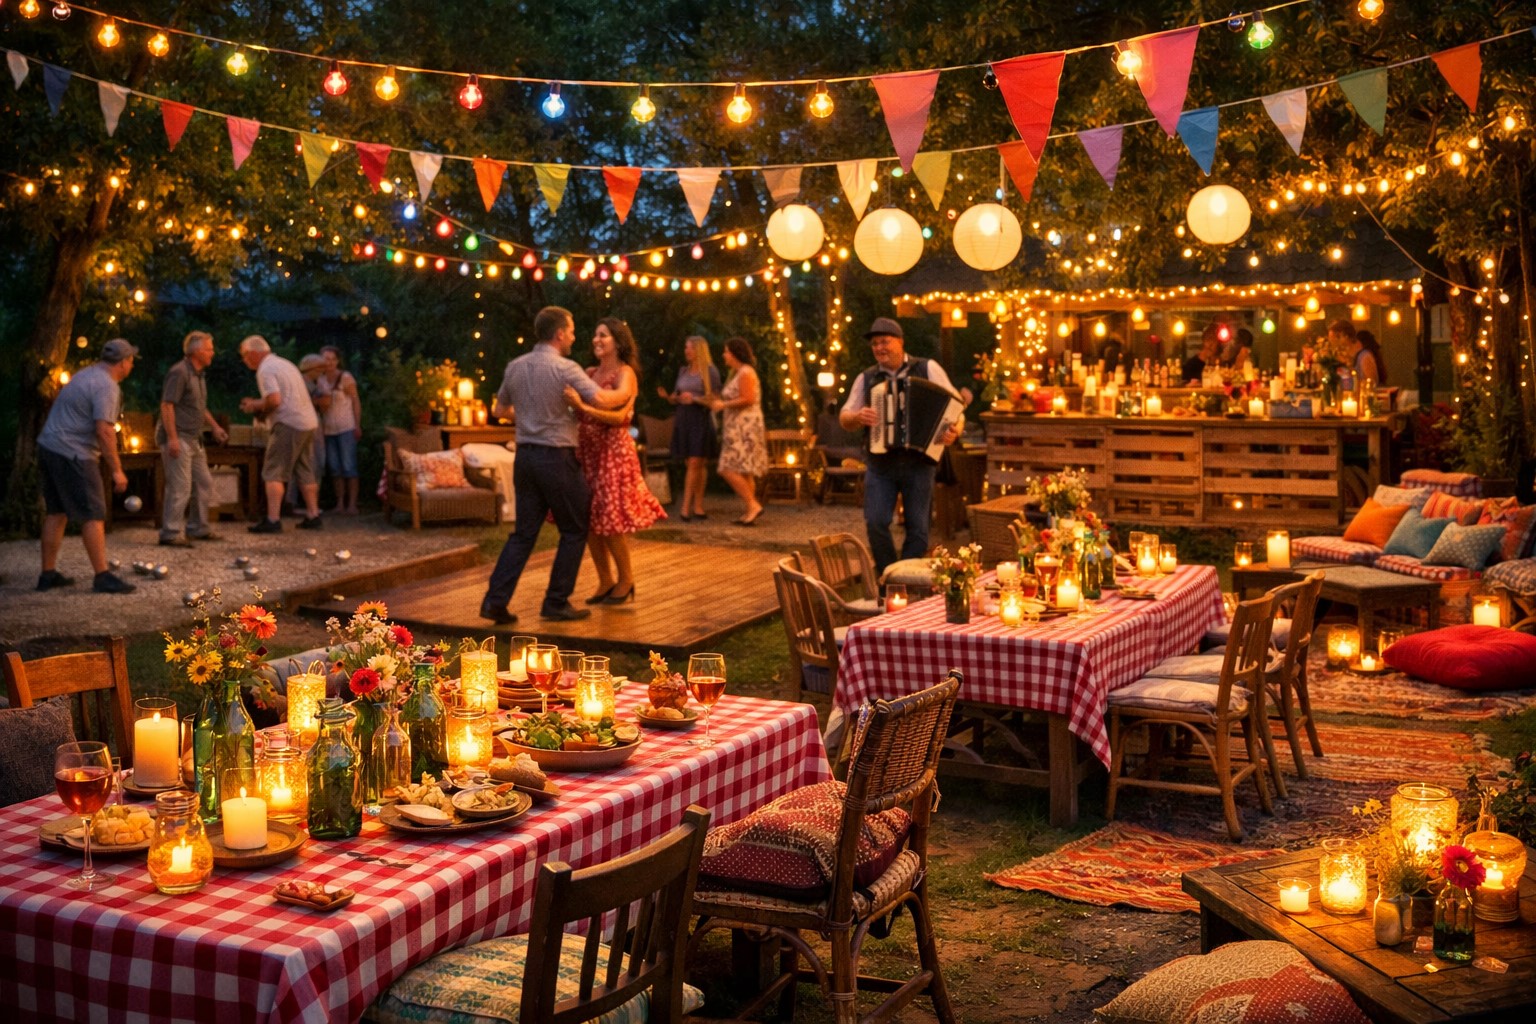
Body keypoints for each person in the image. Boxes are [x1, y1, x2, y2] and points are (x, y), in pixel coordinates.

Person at [481, 306, 629, 624]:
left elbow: (499, 409)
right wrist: (627, 395)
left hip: (525, 458)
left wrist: (532, 418)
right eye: (573, 330)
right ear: (560, 333)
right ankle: (556, 602)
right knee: (575, 528)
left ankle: (495, 601)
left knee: (523, 534)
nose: (575, 336)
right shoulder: (566, 369)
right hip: (557, 459)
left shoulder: (515, 366)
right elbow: (601, 400)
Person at [839, 317, 963, 575]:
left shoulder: (928, 368)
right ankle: (888, 576)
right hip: (881, 463)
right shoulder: (867, 378)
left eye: (885, 341)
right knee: (875, 521)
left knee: (918, 529)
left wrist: (955, 431)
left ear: (901, 342)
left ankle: (906, 581)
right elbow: (845, 417)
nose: (879, 348)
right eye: (875, 344)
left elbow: (956, 407)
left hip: (920, 462)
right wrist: (858, 416)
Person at [562, 318, 666, 605]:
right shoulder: (590, 372)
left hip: (613, 452)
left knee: (610, 518)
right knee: (589, 519)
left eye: (603, 335)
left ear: (618, 342)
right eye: (595, 335)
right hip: (587, 452)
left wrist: (583, 405)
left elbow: (619, 415)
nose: (596, 340)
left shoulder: (625, 373)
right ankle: (605, 580)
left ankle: (626, 579)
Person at [36, 338, 138, 593]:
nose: (132, 364)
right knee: (93, 512)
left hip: (49, 446)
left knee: (57, 511)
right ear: (123, 363)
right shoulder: (106, 386)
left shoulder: (87, 375)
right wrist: (116, 469)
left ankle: (47, 574)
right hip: (73, 452)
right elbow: (104, 430)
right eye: (131, 360)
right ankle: (102, 576)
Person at [238, 336, 323, 533]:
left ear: (253, 353)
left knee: (273, 470)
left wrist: (254, 406)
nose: (244, 360)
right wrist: (261, 405)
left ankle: (273, 519)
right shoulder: (285, 363)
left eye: (244, 356)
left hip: (289, 422)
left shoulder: (265, 369)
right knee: (304, 469)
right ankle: (313, 514)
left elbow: (275, 400)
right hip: (308, 422)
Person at [157, 331, 228, 547]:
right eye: (209, 349)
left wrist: (215, 427)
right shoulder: (179, 373)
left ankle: (198, 528)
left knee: (204, 482)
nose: (212, 353)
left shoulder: (199, 374)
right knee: (180, 486)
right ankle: (170, 533)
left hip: (195, 438)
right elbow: (167, 405)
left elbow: (198, 406)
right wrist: (172, 438)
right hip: (179, 437)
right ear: (196, 351)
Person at [655, 335, 721, 520]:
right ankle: (698, 506)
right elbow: (677, 396)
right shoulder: (683, 371)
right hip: (683, 418)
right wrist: (670, 397)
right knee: (693, 464)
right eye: (685, 347)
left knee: (695, 462)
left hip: (700, 418)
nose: (686, 351)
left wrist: (695, 399)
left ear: (698, 350)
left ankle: (686, 508)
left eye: (689, 348)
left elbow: (716, 399)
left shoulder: (710, 371)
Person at [708, 336, 768, 526]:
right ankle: (750, 510)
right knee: (744, 471)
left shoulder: (745, 372)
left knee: (727, 468)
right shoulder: (736, 373)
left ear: (734, 353)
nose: (724, 355)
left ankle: (753, 504)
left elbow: (748, 398)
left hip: (744, 427)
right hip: (737, 425)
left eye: (726, 351)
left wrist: (723, 404)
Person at [317, 345, 362, 515]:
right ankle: (339, 503)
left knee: (349, 466)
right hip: (328, 429)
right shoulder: (319, 379)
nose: (328, 362)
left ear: (337, 361)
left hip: (346, 427)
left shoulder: (345, 377)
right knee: (335, 468)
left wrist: (357, 424)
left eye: (331, 359)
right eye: (324, 359)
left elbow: (356, 401)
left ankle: (352, 504)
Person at [295, 354, 328, 514]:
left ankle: (311, 503)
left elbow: (326, 402)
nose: (323, 372)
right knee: (308, 462)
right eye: (320, 368)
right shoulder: (302, 382)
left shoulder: (317, 382)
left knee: (316, 462)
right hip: (305, 425)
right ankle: (300, 503)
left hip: (314, 424)